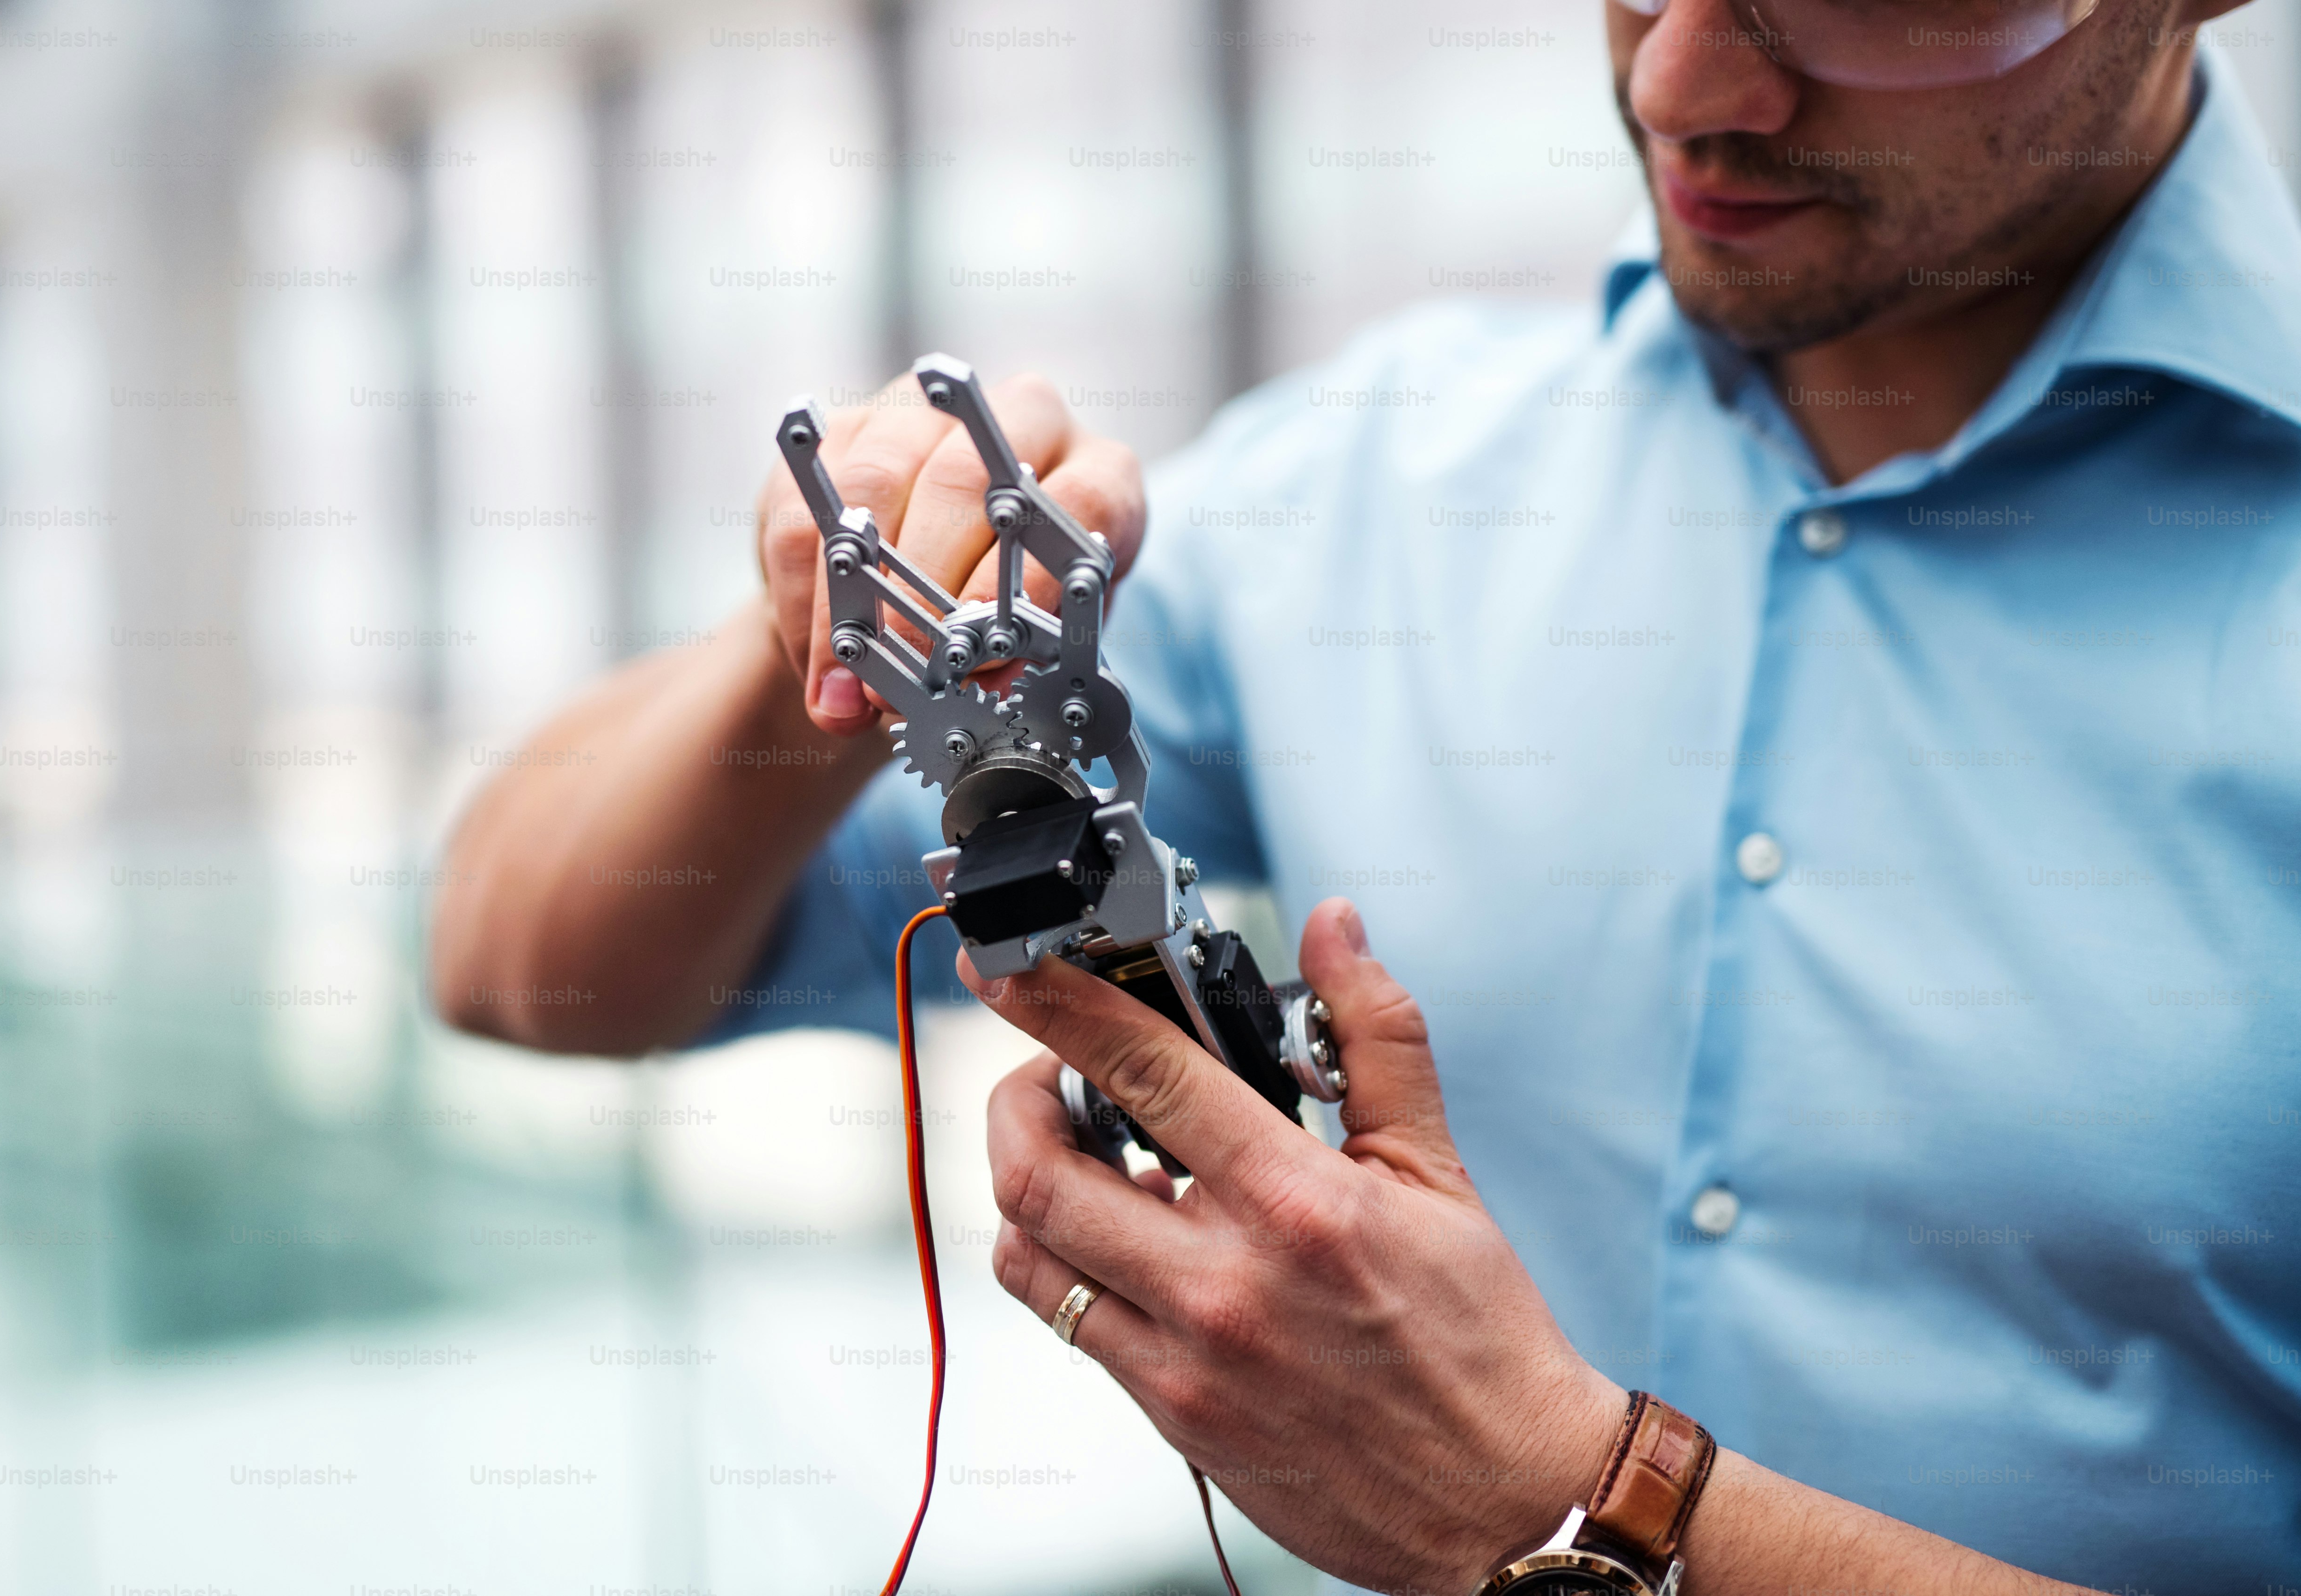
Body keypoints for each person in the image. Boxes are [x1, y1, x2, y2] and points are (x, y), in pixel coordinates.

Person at [432, 0, 2301, 1589]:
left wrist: (1586, 1503)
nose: (1683, 83)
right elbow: (518, 957)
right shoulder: (1380, 484)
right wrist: (824, 648)